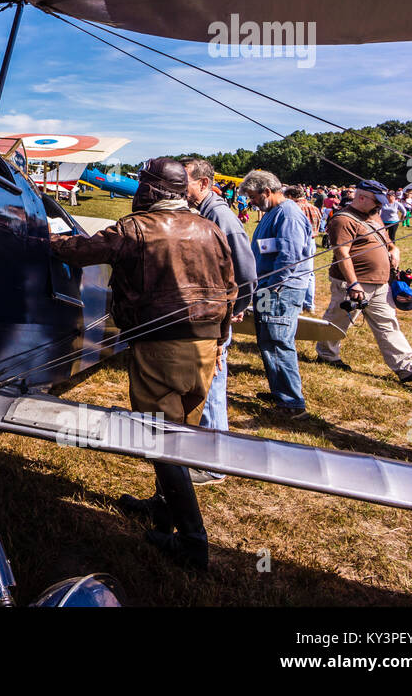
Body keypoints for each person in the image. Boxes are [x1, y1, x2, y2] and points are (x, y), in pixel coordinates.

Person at [51, 158, 235, 570]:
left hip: (161, 347)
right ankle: (162, 512)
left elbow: (79, 251)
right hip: (206, 347)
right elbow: (230, 286)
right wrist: (221, 340)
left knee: (161, 441)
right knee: (176, 432)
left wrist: (46, 239)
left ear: (151, 190)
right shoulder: (211, 228)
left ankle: (192, 542)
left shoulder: (135, 228)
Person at [316, 179, 412, 383]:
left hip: (380, 283)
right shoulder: (343, 220)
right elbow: (342, 254)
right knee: (338, 320)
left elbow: (388, 242)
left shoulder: (374, 216)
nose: (380, 205)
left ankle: (407, 368)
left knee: (387, 324)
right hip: (353, 283)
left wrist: (394, 250)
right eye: (377, 201)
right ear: (361, 197)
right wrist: (353, 284)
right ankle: (327, 355)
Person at [182, 158, 257, 485]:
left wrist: (236, 307)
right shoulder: (203, 212)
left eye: (183, 180)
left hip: (215, 318)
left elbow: (246, 271)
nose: (178, 186)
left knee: (211, 386)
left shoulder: (220, 216)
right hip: (205, 316)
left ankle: (214, 465)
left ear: (203, 183)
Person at [241, 170, 314, 417]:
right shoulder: (272, 212)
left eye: (252, 196)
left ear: (267, 191)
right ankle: (280, 391)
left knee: (278, 340)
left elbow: (288, 258)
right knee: (266, 339)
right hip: (267, 289)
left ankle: (293, 403)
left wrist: (272, 287)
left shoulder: (289, 215)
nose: (250, 201)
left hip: (280, 290)